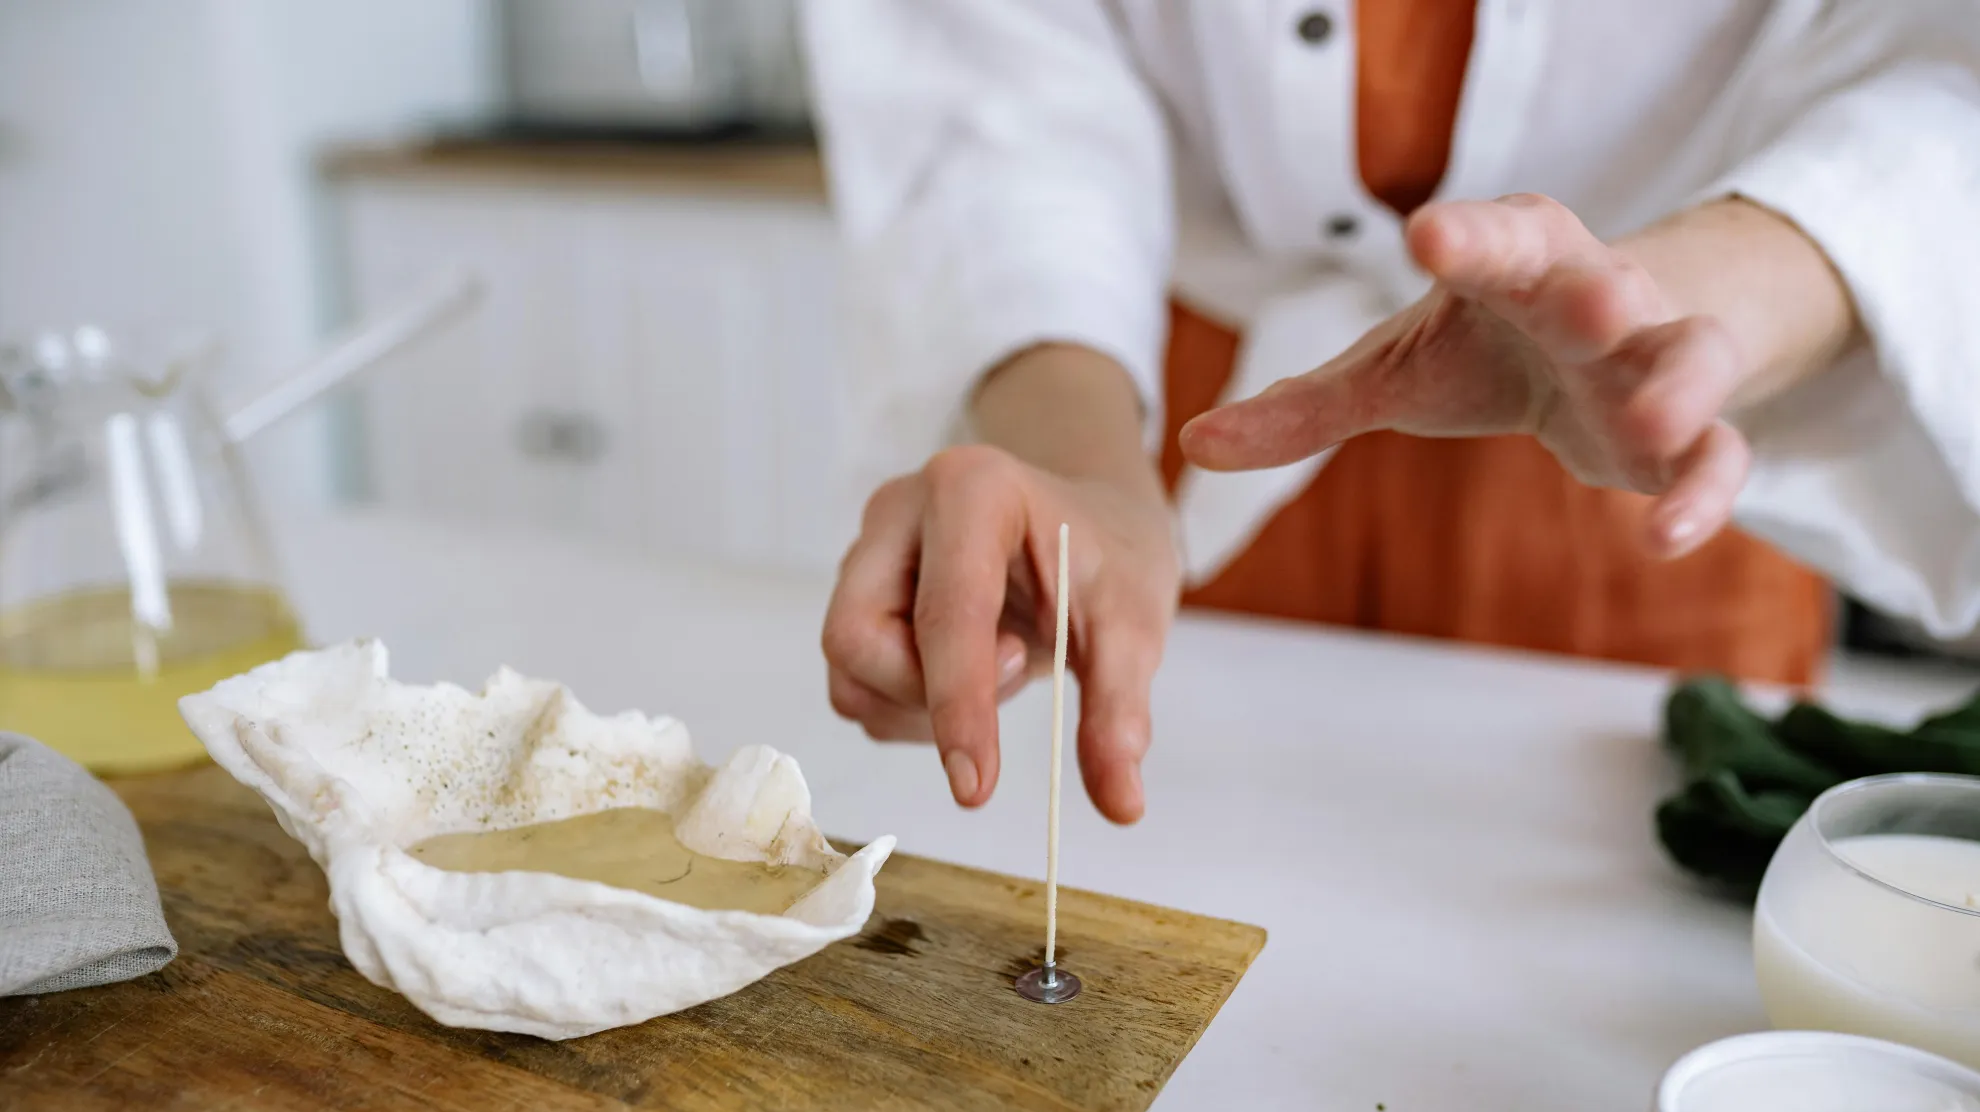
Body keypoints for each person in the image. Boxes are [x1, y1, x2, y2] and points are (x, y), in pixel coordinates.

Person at [799, 0, 1980, 825]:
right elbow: (1003, 70)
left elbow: (1950, 65)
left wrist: (1691, 306)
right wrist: (1073, 453)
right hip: (1198, 445)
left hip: (1657, 472)